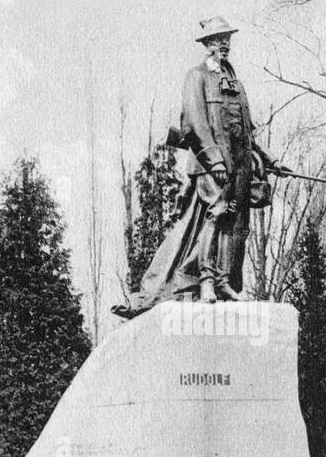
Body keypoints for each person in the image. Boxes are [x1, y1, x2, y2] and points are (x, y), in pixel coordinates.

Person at [113, 16, 282, 318]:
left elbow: (248, 132)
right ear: (206, 45)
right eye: (218, 39)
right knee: (215, 216)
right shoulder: (197, 77)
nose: (224, 44)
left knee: (234, 224)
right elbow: (193, 122)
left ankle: (224, 282)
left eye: (227, 38)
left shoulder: (237, 85)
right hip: (210, 164)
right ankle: (205, 281)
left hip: (240, 165)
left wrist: (271, 161)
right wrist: (214, 159)